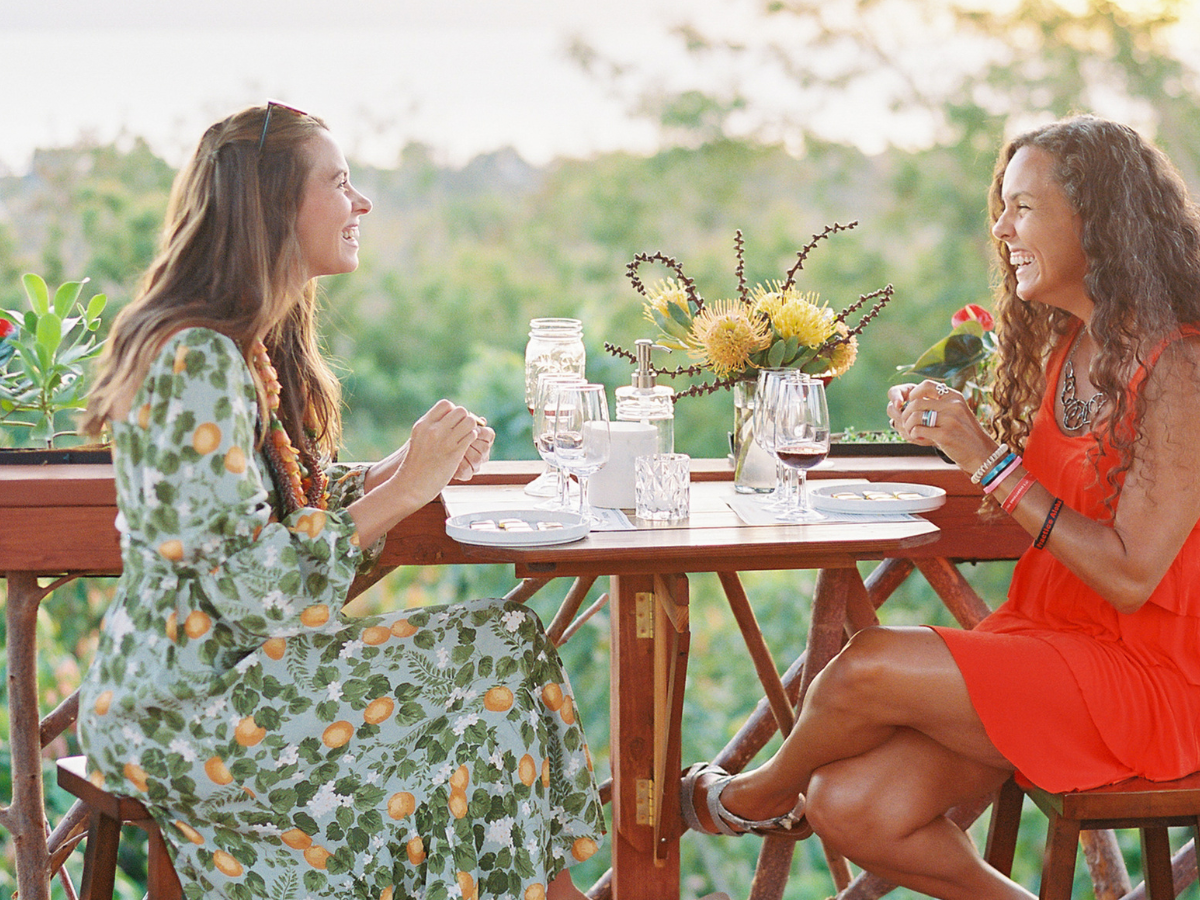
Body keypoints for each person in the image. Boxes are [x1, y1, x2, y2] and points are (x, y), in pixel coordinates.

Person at [76, 102, 605, 900]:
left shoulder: (248, 347)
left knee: (505, 652)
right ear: (274, 205)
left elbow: (284, 513)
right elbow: (250, 588)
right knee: (493, 647)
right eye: (340, 182)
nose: (362, 202)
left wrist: (406, 468)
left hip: (241, 680)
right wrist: (407, 489)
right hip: (180, 710)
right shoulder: (196, 361)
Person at [680, 114, 1200, 899]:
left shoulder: (1181, 367)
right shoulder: (1071, 345)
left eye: (1023, 208)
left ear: (1097, 221)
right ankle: (783, 799)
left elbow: (1131, 577)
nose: (1001, 228)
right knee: (850, 805)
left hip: (1149, 684)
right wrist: (953, 436)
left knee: (867, 664)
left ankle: (752, 800)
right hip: (1046, 643)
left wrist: (986, 458)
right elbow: (1055, 494)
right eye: (1002, 207)